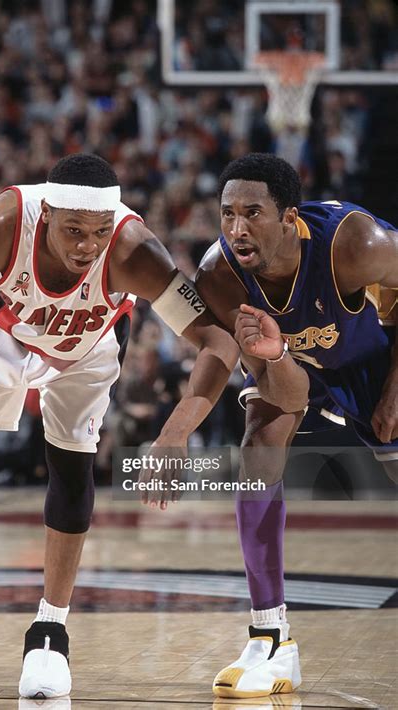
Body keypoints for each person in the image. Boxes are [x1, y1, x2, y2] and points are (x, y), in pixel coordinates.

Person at [0, 153, 240, 698]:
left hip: (85, 350)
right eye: (73, 230)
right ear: (45, 216)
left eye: (98, 232)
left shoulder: (134, 250)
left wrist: (175, 432)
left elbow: (218, 341)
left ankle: (50, 631)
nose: (86, 246)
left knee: (72, 469)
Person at [192, 153, 397, 699]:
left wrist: (395, 387)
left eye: (252, 213)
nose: (237, 228)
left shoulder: (357, 244)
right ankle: (271, 637)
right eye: (227, 213)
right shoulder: (218, 275)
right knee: (258, 444)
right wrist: (278, 352)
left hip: (378, 352)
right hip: (297, 360)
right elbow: (288, 393)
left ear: (289, 217)